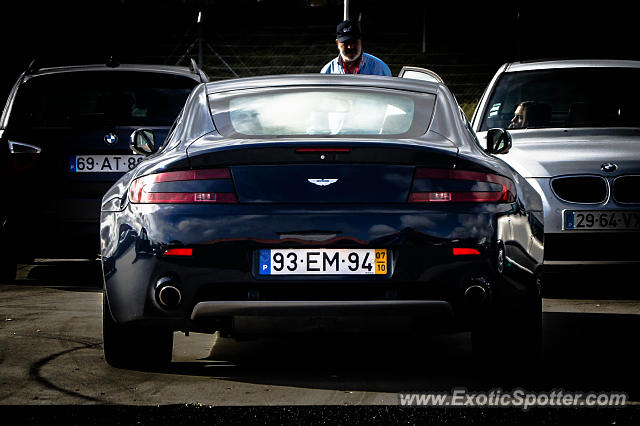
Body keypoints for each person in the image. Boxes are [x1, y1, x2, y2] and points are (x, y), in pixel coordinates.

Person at [321, 19, 391, 76]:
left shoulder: (380, 68)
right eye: (346, 43)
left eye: (354, 42)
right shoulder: (328, 71)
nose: (350, 47)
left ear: (360, 41)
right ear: (337, 43)